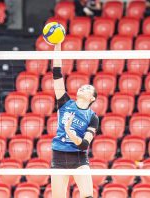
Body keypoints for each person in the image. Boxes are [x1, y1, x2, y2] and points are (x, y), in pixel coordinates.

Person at [51, 43, 99, 198]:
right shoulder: (65, 102)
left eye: (87, 88)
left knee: (88, 196)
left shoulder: (93, 117)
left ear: (92, 98)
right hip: (59, 155)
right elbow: (57, 73)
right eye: (82, 87)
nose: (82, 88)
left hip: (78, 157)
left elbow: (84, 144)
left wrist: (70, 132)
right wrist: (57, 45)